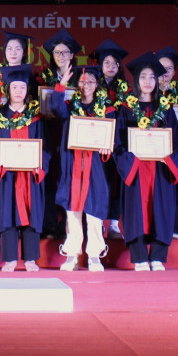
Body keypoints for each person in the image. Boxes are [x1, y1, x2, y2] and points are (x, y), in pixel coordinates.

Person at [115, 53, 178, 271]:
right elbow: (118, 144)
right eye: (143, 77)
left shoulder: (166, 109)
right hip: (136, 169)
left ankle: (157, 257)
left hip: (160, 168)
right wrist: (131, 160)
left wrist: (168, 158)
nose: (148, 81)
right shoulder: (125, 110)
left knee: (160, 210)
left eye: (152, 77)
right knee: (136, 211)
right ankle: (139, 258)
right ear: (136, 80)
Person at [46, 65, 115, 272]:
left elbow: (113, 136)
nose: (86, 85)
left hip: (95, 167)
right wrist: (61, 84)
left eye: (91, 81)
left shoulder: (107, 109)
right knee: (72, 211)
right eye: (83, 81)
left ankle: (94, 255)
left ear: (97, 85)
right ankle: (72, 254)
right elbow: (55, 107)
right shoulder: (69, 107)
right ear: (77, 84)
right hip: (72, 164)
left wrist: (108, 145)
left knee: (94, 211)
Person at [0, 64, 50, 272]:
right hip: (7, 175)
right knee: (8, 212)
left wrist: (40, 166)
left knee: (32, 211)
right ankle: (10, 259)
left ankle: (31, 258)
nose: (18, 91)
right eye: (14, 87)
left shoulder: (36, 117)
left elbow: (45, 146)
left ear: (27, 90)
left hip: (31, 175)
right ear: (8, 89)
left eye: (22, 87)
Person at [38, 29, 83, 239]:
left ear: (72, 55)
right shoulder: (42, 78)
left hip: (71, 135)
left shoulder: (82, 79)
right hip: (48, 132)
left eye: (65, 52)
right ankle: (48, 224)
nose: (61, 56)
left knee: (68, 178)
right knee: (48, 177)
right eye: (57, 52)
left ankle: (67, 225)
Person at [90, 39, 128, 241]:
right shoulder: (93, 88)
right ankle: (97, 223)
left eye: (115, 63)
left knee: (116, 180)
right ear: (100, 65)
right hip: (98, 141)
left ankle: (113, 223)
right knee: (100, 180)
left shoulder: (127, 91)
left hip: (119, 141)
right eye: (107, 63)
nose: (111, 66)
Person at [156, 45, 178, 238]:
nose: (165, 72)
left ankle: (173, 226)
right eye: (161, 67)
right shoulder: (148, 94)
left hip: (176, 146)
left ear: (174, 72)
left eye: (169, 68)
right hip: (154, 147)